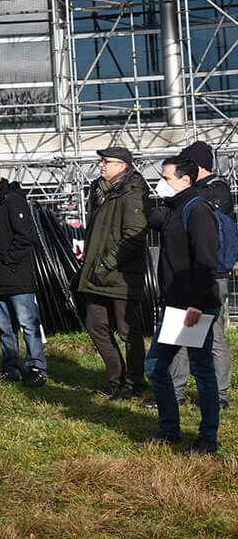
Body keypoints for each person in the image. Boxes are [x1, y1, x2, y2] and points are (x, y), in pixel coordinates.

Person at [145, 156, 223, 454]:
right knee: (157, 365)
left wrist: (196, 305)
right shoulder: (176, 209)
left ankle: (207, 438)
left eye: (166, 178)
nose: (161, 183)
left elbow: (206, 261)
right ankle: (170, 431)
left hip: (192, 306)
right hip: (178, 304)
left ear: (185, 180)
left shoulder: (198, 210)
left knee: (200, 369)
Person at [163, 141, 233, 411]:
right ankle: (175, 391)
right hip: (185, 276)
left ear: (198, 168)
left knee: (213, 335)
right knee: (178, 335)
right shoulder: (186, 196)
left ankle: (219, 395)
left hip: (210, 275)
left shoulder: (215, 193)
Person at [80, 146, 150, 401]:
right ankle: (116, 379)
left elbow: (134, 238)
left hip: (121, 275)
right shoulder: (102, 191)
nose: (101, 165)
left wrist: (104, 263)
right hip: (99, 273)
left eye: (107, 161)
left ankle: (133, 384)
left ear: (122, 165)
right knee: (95, 324)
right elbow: (100, 231)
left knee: (127, 331)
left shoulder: (132, 193)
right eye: (101, 161)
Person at [0, 162, 46, 386]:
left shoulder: (12, 200)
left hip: (16, 276)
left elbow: (26, 236)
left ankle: (37, 367)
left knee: (28, 323)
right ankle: (11, 366)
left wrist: (6, 259)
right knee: (6, 326)